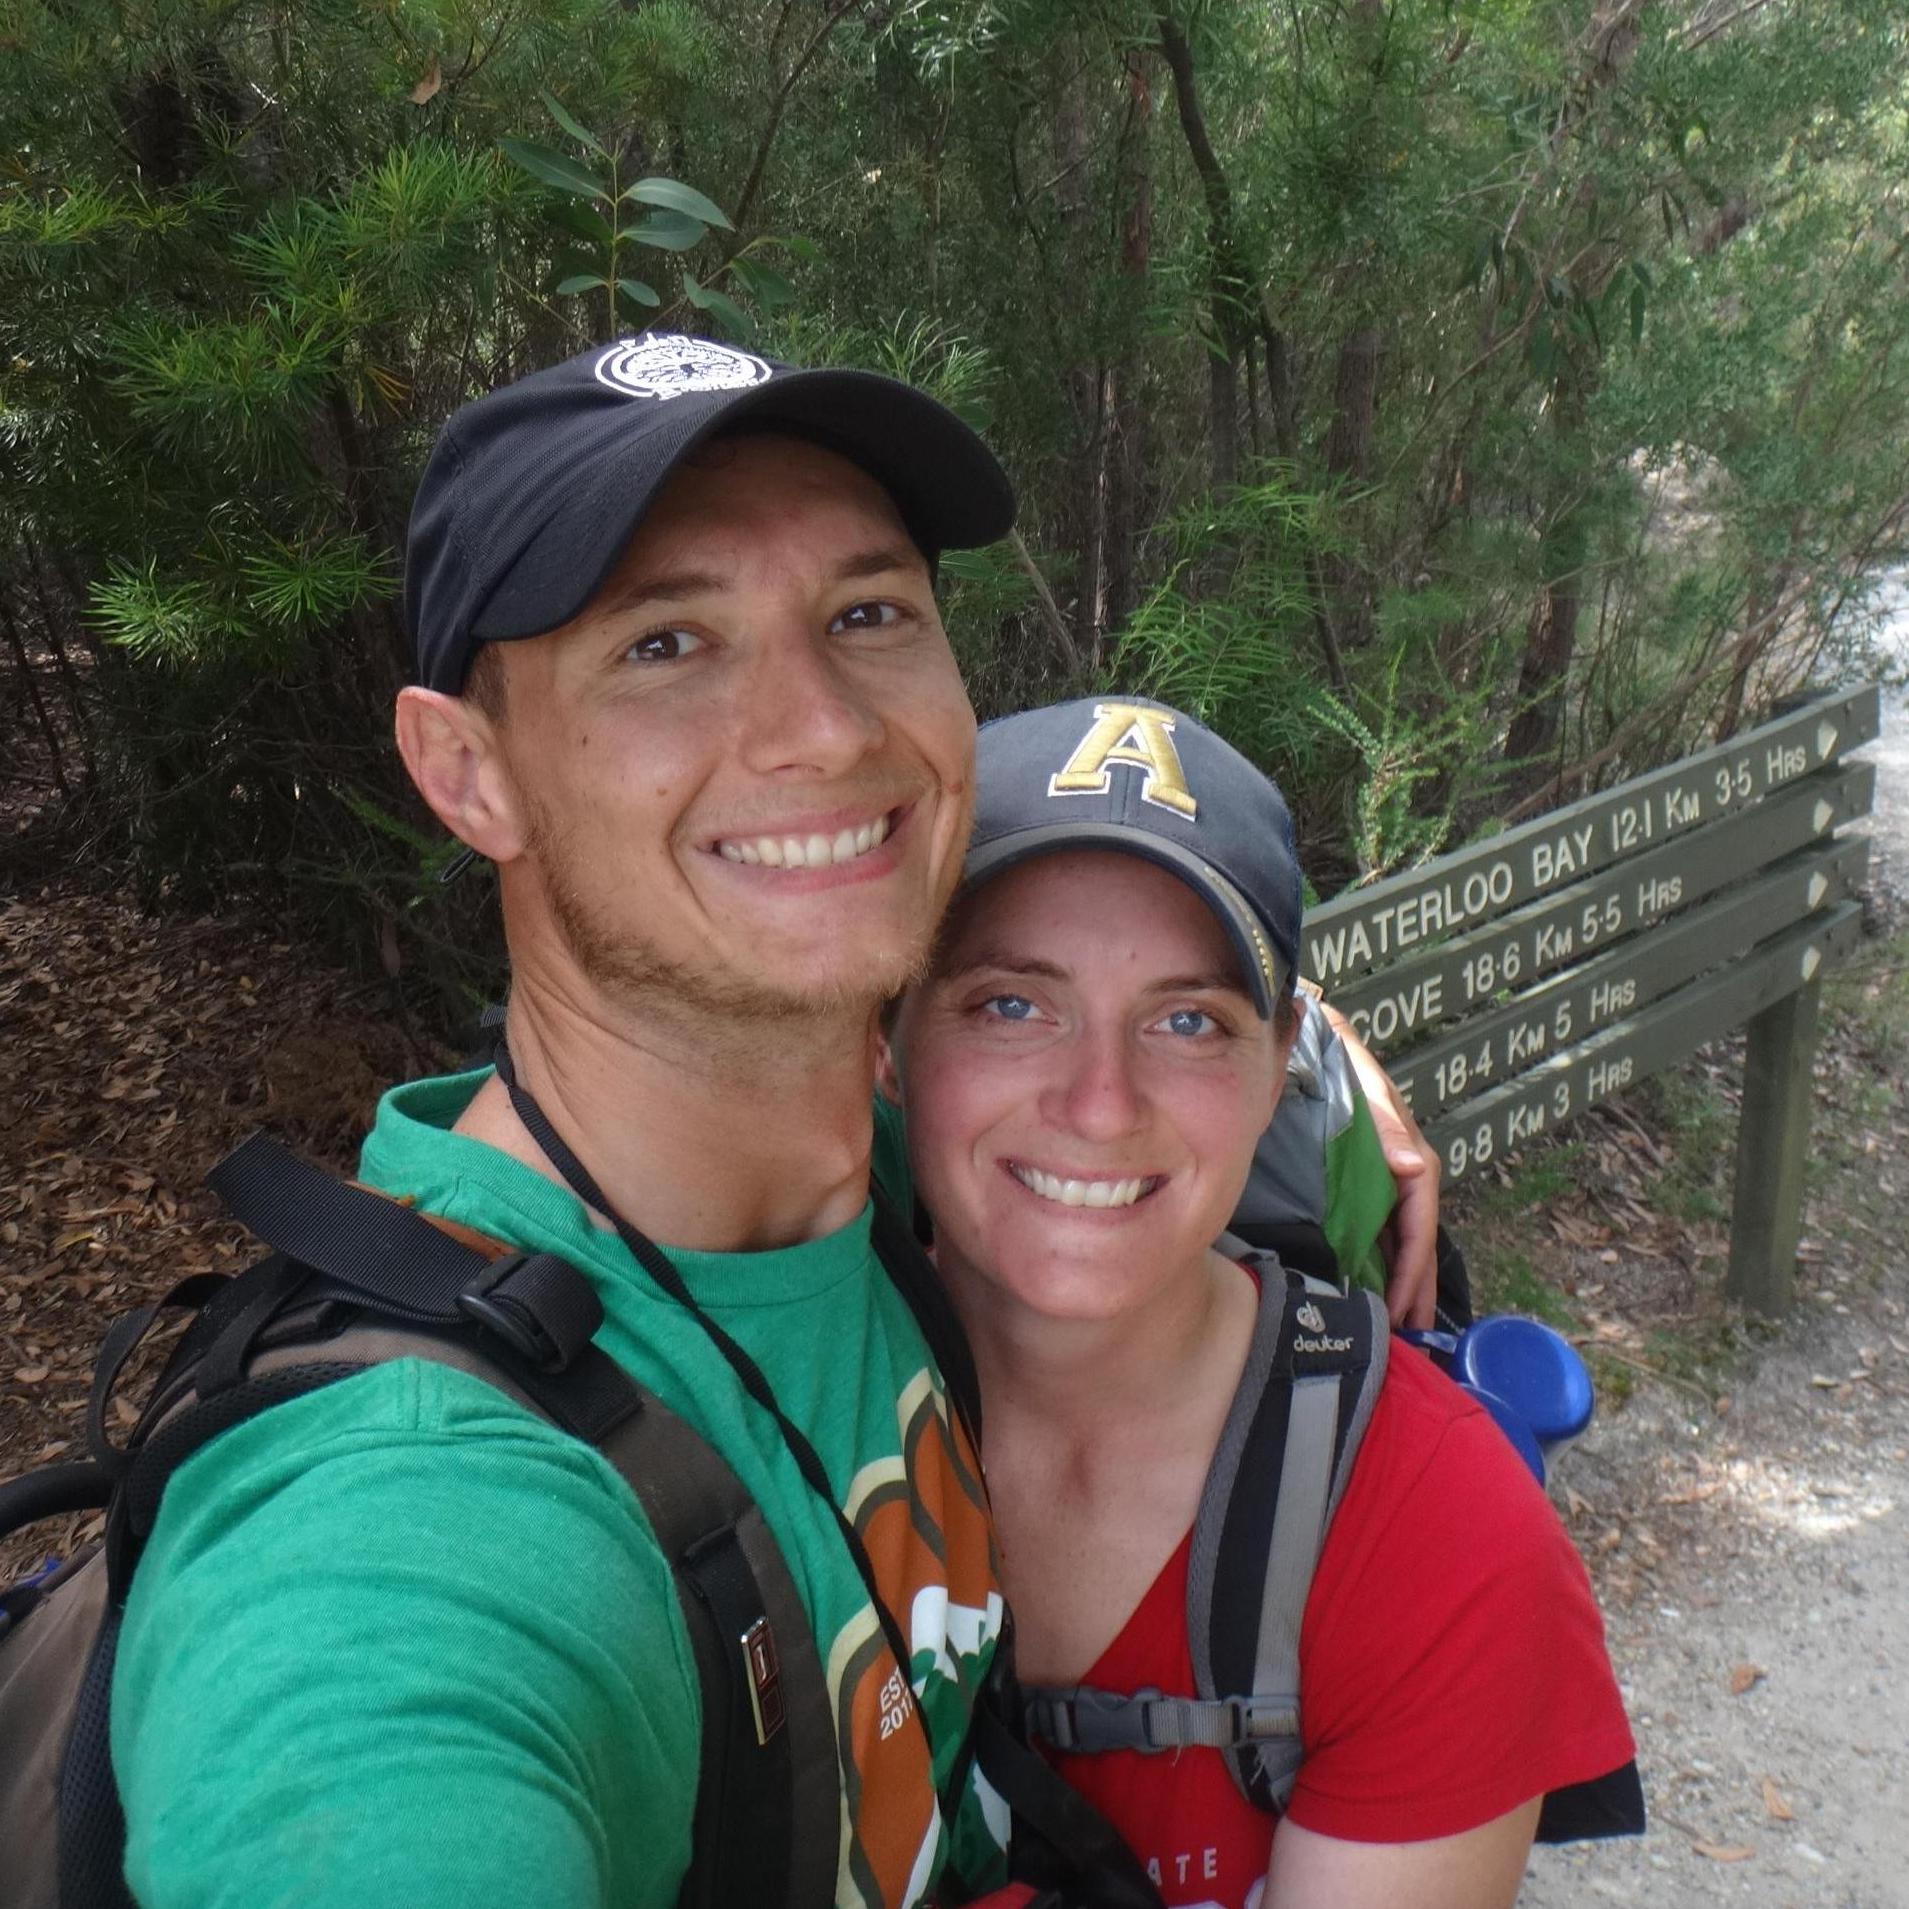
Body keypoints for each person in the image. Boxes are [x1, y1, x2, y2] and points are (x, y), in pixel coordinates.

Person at [103, 336, 1435, 1909]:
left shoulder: (895, 1159)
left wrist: (1317, 1058)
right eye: (664, 643)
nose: (821, 728)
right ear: (467, 774)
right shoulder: (403, 1532)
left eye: (867, 614)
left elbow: (1117, 986)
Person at [883, 696, 1640, 1909]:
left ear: (1277, 1058)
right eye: (1012, 1004)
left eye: (1187, 1021)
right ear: (887, 1031)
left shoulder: (1435, 1532)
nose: (1099, 1103)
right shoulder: (750, 1424)